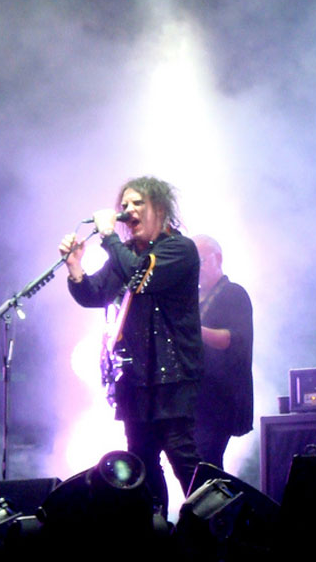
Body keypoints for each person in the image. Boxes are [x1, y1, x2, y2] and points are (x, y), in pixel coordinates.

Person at [59, 176, 204, 515]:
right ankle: (156, 528)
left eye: (138, 203)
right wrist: (75, 267)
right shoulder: (127, 255)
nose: (128, 210)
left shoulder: (179, 249)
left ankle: (218, 525)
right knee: (142, 460)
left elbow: (140, 277)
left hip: (173, 375)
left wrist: (109, 236)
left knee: (181, 454)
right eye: (124, 204)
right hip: (135, 377)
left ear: (160, 209)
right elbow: (94, 294)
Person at [192, 234, 254, 469]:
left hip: (221, 398)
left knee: (206, 462)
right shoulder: (193, 298)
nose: (196, 269)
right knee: (201, 464)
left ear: (218, 258)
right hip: (198, 399)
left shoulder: (233, 293)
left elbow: (232, 339)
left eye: (201, 261)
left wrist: (192, 329)